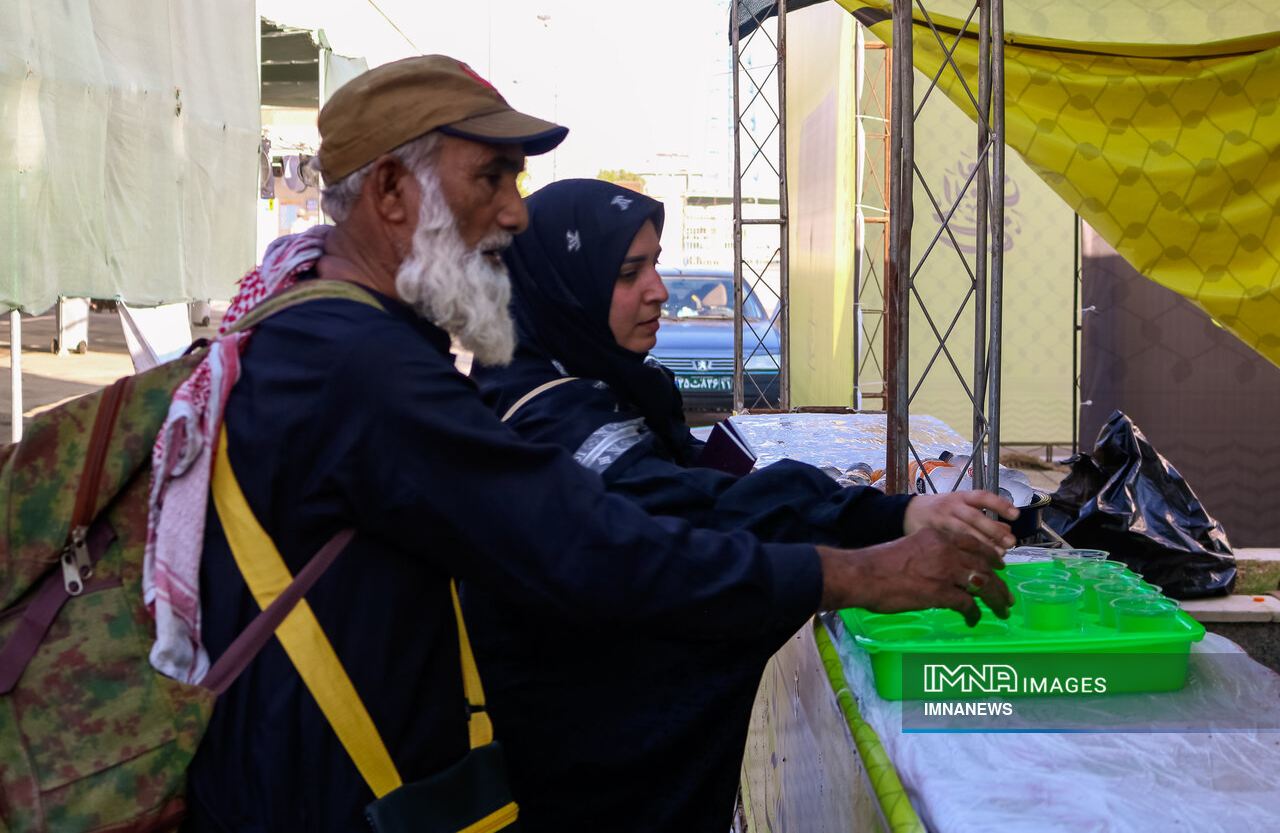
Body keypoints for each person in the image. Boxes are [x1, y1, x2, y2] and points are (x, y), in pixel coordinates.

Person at [159, 57, 1012, 832]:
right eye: (490, 177)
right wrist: (863, 569)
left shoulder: (324, 328)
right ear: (390, 191)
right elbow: (587, 544)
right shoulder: (359, 365)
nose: (513, 211)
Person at [467, 178, 1018, 829]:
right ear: (564, 284)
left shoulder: (589, 383)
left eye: (656, 263)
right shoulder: (554, 419)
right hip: (581, 783)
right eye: (627, 272)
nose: (659, 291)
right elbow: (695, 519)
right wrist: (873, 548)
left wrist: (892, 515)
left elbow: (699, 490)